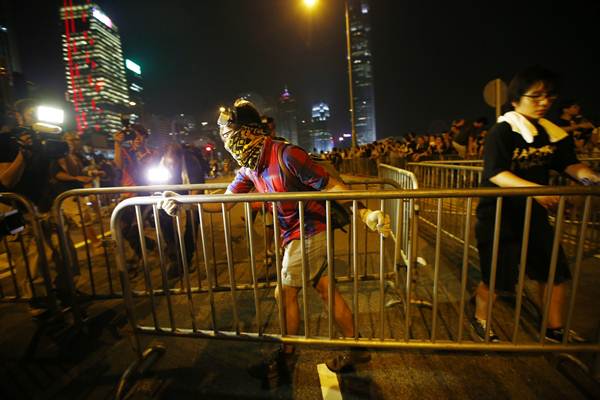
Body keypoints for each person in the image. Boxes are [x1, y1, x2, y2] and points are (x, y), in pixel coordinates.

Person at [159, 98, 391, 383]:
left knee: (285, 293)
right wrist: (181, 201)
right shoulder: (248, 168)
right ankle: (358, 350)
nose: (229, 144)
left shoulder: (287, 155)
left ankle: (285, 358)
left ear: (248, 132)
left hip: (311, 230)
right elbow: (220, 203)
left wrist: (365, 211)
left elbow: (332, 186)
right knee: (326, 290)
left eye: (232, 136)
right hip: (291, 233)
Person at [473, 65, 600, 343]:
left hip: (535, 215)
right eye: (536, 96)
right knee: (497, 277)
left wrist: (591, 179)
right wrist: (537, 190)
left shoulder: (552, 134)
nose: (544, 103)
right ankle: (482, 318)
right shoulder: (502, 132)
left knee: (554, 272)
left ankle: (554, 329)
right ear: (516, 99)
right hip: (499, 215)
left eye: (549, 97)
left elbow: (570, 164)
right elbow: (496, 173)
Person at [0, 98, 73, 313]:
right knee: (28, 255)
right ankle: (38, 302)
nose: (36, 120)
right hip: (12, 208)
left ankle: (64, 292)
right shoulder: (5, 141)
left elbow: (59, 170)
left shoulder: (47, 142)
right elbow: (6, 181)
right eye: (32, 115)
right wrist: (23, 153)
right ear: (19, 117)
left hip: (42, 205)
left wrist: (63, 146)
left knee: (60, 251)